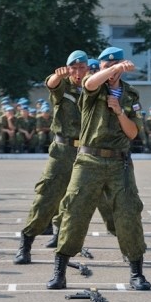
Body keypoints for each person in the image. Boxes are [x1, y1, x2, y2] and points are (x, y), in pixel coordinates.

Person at [46, 46, 151, 291]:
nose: (112, 71)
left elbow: (133, 132)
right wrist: (112, 70)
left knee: (128, 214)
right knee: (74, 212)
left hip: (119, 163)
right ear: (101, 67)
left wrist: (118, 111)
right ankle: (60, 271)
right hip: (89, 161)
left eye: (116, 65)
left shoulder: (131, 95)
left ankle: (137, 273)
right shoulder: (92, 88)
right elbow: (91, 83)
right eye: (106, 65)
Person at [14, 51, 92, 264]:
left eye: (82, 68)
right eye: (73, 68)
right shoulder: (63, 87)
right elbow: (51, 84)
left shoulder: (93, 88)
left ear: (88, 69)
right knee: (46, 197)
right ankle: (26, 243)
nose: (78, 72)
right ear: (68, 69)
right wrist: (57, 75)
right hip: (62, 151)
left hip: (86, 153)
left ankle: (64, 246)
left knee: (78, 202)